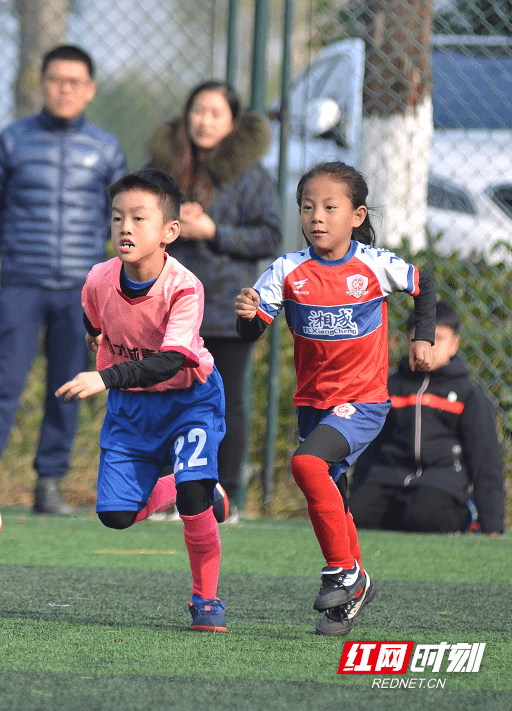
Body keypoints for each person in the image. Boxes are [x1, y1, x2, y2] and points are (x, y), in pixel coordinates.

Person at [235, 161, 437, 637]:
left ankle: (342, 571)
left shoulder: (374, 264)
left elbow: (423, 284)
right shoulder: (286, 270)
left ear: (356, 214)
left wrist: (421, 338)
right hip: (314, 403)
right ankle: (357, 585)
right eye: (308, 208)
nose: (317, 217)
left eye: (330, 207)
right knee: (335, 495)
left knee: (306, 466)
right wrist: (247, 314)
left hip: (363, 400)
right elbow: (251, 332)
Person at [55, 168, 229, 632]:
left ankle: (206, 599)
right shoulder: (97, 278)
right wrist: (105, 362)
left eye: (138, 218)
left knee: (193, 501)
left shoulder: (185, 287)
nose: (125, 228)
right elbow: (93, 322)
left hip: (189, 399)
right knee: (115, 516)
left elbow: (172, 361)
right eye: (117, 218)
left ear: (170, 232)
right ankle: (196, 486)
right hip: (132, 408)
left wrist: (104, 376)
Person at [0, 44, 127, 514]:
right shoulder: (11, 141)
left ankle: (49, 483)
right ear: (41, 83)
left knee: (69, 385)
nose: (64, 89)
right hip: (21, 283)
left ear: (90, 90)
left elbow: (116, 218)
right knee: (2, 381)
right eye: (56, 79)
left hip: (81, 290)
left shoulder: (106, 148)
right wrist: (17, 253)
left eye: (75, 82)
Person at [145, 81, 281, 520]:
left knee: (227, 403)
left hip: (226, 308)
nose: (204, 121)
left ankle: (228, 495)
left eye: (215, 113)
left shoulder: (252, 176)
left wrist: (213, 232)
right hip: (168, 305)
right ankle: (169, 494)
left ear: (233, 123)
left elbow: (269, 235)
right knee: (167, 398)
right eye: (198, 110)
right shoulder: (161, 170)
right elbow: (133, 224)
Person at [349, 301, 505, 534]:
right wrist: (359, 492)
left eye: (438, 339)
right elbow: (370, 448)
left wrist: (492, 523)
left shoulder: (468, 396)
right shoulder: (389, 388)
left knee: (425, 518)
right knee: (354, 517)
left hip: (440, 481)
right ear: (408, 340)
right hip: (389, 477)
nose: (428, 347)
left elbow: (486, 461)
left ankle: (467, 514)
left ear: (454, 344)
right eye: (420, 338)